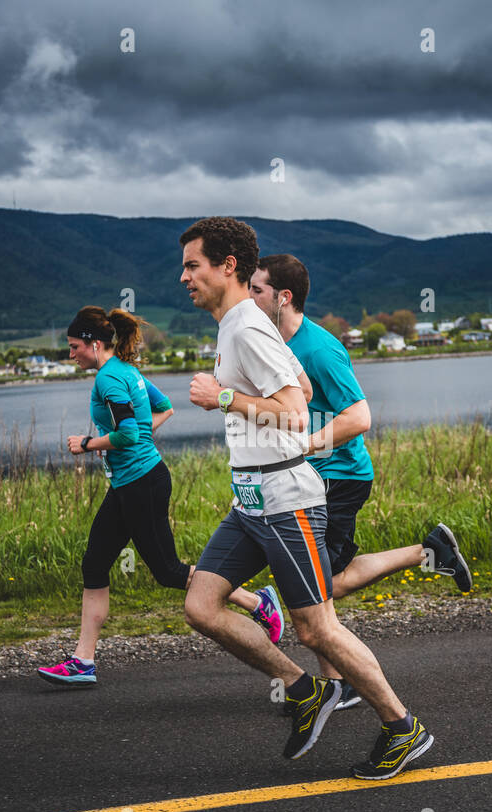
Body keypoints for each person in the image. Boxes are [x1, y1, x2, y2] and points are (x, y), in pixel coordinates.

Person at [179, 217, 433, 779]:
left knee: (316, 628)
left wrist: (223, 397)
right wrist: (243, 395)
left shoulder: (245, 327)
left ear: (228, 267)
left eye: (193, 265)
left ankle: (401, 726)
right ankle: (302, 689)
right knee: (201, 605)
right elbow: (305, 387)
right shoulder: (238, 323)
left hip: (286, 498)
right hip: (250, 501)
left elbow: (295, 411)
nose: (184, 277)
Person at [250, 254, 471, 712]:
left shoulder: (319, 349)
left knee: (314, 588)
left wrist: (306, 445)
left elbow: (360, 416)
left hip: (339, 477)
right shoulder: (273, 343)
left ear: (282, 297)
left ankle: (342, 682)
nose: (248, 297)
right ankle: (429, 553)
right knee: (314, 585)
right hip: (310, 477)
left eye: (256, 290)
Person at [36, 306, 284, 685]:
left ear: (94, 343)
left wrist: (88, 443)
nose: (70, 354)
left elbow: (129, 435)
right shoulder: (127, 371)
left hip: (142, 485)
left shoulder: (109, 379)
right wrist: (126, 442)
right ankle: (82, 661)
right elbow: (164, 409)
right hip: (128, 484)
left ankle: (256, 602)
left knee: (168, 571)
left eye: (73, 347)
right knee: (95, 563)